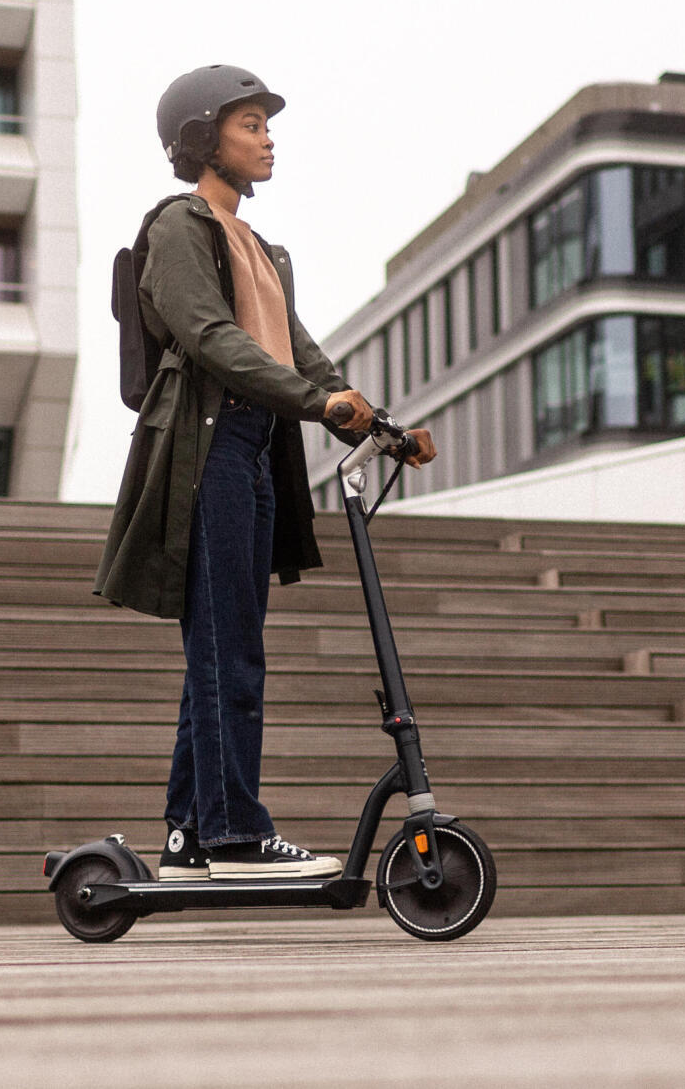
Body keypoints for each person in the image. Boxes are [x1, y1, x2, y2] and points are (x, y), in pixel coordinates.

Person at [94, 65, 437, 881]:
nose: (268, 137)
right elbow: (212, 337)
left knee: (223, 647)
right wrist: (319, 407)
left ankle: (187, 834)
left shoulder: (261, 247)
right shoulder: (180, 227)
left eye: (265, 125)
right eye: (251, 124)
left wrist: (382, 424)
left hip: (251, 453)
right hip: (205, 452)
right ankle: (234, 834)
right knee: (229, 651)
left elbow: (302, 354)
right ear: (203, 138)